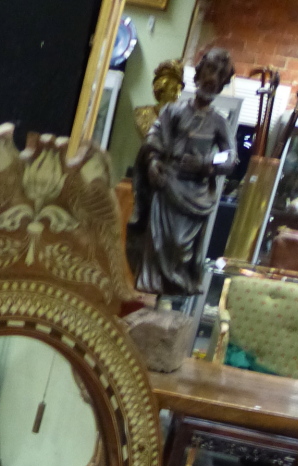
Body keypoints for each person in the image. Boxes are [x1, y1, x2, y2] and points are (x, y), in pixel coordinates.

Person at [126, 48, 237, 297]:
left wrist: (206, 163)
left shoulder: (219, 123)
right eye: (209, 70)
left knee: (179, 248)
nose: (212, 78)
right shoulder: (173, 111)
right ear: (198, 74)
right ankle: (153, 286)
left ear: (221, 85)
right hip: (166, 186)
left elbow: (229, 156)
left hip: (194, 195)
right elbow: (153, 137)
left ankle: (176, 286)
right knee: (157, 244)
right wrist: (153, 163)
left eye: (219, 76)